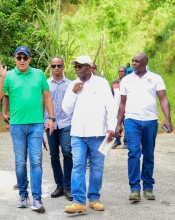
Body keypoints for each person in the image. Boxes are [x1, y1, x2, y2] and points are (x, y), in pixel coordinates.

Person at [0, 46, 54, 213]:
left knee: (35, 162)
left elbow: (47, 96)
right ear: (14, 59)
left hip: (36, 125)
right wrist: (1, 78)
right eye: (18, 57)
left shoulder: (39, 74)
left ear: (30, 59)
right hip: (17, 126)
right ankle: (23, 194)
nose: (21, 60)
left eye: (24, 57)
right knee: (20, 162)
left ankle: (37, 198)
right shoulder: (9, 76)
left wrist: (51, 118)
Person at [62, 55, 117, 214]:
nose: (77, 69)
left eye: (80, 66)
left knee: (97, 167)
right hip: (78, 133)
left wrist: (111, 127)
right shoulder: (73, 85)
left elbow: (111, 107)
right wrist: (73, 93)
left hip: (98, 134)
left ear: (89, 67)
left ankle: (94, 198)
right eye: (75, 67)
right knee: (78, 165)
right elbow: (66, 110)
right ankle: (79, 201)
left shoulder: (101, 83)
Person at [115, 52, 173, 202]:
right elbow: (122, 103)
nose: (133, 63)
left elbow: (163, 99)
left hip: (150, 121)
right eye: (132, 61)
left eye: (137, 61)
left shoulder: (155, 78)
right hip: (131, 120)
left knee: (148, 154)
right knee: (133, 152)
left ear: (145, 63)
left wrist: (167, 119)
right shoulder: (126, 80)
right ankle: (134, 189)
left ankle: (148, 187)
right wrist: (118, 124)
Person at [44, 56, 73, 201]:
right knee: (54, 155)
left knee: (67, 153)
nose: (56, 68)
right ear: (51, 67)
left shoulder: (70, 84)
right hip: (50, 125)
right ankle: (59, 185)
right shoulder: (46, 84)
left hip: (66, 123)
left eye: (59, 66)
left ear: (63, 67)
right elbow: (42, 104)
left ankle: (67, 186)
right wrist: (44, 121)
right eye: (54, 66)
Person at [111, 66, 128, 149]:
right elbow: (112, 95)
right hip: (116, 107)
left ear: (125, 72)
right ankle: (117, 140)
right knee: (116, 124)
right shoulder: (114, 83)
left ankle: (127, 141)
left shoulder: (129, 82)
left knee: (126, 124)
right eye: (119, 71)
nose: (121, 73)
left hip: (127, 107)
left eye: (123, 71)